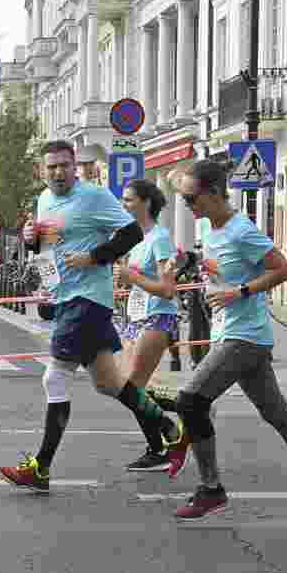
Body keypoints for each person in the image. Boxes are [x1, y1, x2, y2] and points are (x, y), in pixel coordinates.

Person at [0, 140, 182, 493]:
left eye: (64, 165)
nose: (58, 172)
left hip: (89, 299)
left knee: (54, 378)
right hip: (66, 297)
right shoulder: (44, 199)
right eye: (51, 166)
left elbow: (131, 232)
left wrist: (94, 257)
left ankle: (41, 468)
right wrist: (30, 239)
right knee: (108, 383)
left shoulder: (94, 197)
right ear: (42, 169)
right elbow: (48, 245)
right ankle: (171, 431)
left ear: (75, 167)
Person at [170, 160, 287, 522]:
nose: (187, 205)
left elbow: (283, 269)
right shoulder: (211, 228)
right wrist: (190, 259)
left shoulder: (241, 230)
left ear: (214, 193)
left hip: (243, 337)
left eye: (190, 197)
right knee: (276, 413)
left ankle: (211, 489)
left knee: (191, 401)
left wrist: (240, 291)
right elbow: (222, 267)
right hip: (233, 334)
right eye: (183, 199)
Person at [114, 179, 186, 474]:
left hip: (159, 316)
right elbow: (134, 280)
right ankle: (181, 416)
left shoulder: (160, 238)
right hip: (137, 316)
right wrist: (123, 279)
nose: (124, 204)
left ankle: (165, 440)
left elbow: (167, 289)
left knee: (132, 388)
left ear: (146, 203)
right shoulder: (136, 238)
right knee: (131, 388)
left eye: (129, 200)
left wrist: (132, 278)